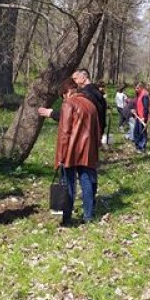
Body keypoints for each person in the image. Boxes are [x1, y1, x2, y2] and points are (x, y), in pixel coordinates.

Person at [54, 78, 100, 226]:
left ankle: (67, 218)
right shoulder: (91, 105)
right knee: (87, 182)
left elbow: (65, 132)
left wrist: (61, 155)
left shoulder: (69, 103)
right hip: (88, 151)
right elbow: (97, 131)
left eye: (63, 96)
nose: (63, 99)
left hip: (71, 151)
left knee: (68, 183)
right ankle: (88, 215)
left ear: (67, 92)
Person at [133, 81, 150, 152]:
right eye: (135, 88)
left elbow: (145, 107)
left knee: (142, 132)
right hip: (138, 116)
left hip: (143, 117)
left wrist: (144, 117)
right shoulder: (139, 95)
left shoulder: (144, 95)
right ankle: (137, 145)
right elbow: (138, 105)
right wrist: (135, 112)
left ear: (141, 88)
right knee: (135, 132)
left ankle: (142, 147)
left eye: (137, 88)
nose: (135, 90)